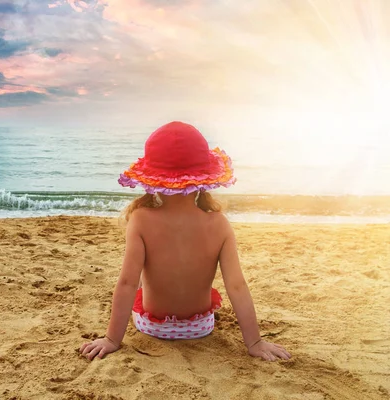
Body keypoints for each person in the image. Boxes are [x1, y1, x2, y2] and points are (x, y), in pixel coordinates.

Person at [79, 121, 291, 362]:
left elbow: (127, 283)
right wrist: (254, 342)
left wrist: (111, 340)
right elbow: (237, 286)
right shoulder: (219, 223)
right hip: (201, 327)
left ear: (153, 178)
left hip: (152, 327)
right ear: (203, 178)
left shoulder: (140, 220)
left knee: (138, 280)